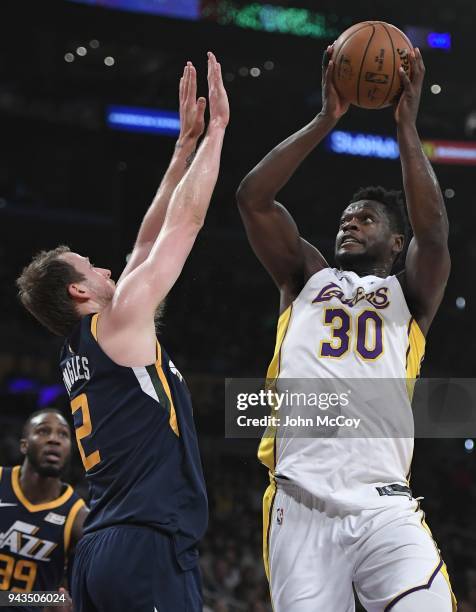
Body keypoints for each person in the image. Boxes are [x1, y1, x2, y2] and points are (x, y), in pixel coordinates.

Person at [236, 45, 456, 611]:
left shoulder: (411, 295)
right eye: (344, 218)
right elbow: (254, 198)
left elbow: (434, 235)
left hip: (386, 504)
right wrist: (326, 117)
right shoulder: (304, 275)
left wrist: (407, 126)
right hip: (300, 503)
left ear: (395, 241)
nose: (349, 224)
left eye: (366, 218)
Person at [16, 52, 229, 611]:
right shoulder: (117, 325)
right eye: (93, 268)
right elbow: (185, 223)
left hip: (101, 550)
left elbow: (141, 248)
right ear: (79, 293)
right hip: (144, 546)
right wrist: (218, 133)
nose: (109, 269)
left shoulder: (85, 347)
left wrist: (182, 148)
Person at [0, 409, 87, 612]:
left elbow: (77, 600)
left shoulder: (78, 517)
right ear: (24, 445)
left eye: (63, 434)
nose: (54, 440)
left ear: (70, 449)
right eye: (43, 431)